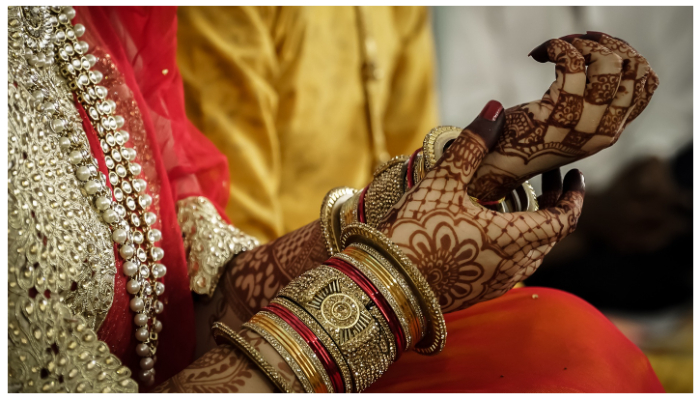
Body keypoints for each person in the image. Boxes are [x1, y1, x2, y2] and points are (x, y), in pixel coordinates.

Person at [7, 6, 662, 393]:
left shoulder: (89, 22)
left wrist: (479, 171)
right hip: (307, 326)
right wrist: (393, 281)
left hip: (292, 316)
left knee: (561, 343)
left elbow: (199, 298)